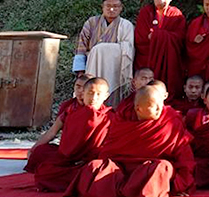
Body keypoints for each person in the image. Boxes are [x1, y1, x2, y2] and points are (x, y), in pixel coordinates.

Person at [66, 84, 195, 197]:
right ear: (138, 108)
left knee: (162, 167)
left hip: (148, 172)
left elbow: (185, 156)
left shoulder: (170, 119)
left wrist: (181, 184)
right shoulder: (122, 120)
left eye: (160, 105)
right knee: (95, 166)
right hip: (119, 169)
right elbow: (108, 152)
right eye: (153, 106)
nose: (159, 110)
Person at [33, 78, 111, 192]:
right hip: (70, 160)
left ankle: (84, 182)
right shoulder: (72, 112)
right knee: (43, 170)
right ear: (83, 94)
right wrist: (34, 148)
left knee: (96, 170)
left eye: (98, 94)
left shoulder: (111, 117)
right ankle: (83, 183)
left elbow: (112, 146)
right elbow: (63, 144)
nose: (94, 98)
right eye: (90, 93)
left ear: (106, 96)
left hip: (92, 161)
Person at [73, 0, 134, 105]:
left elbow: (128, 49)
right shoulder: (91, 22)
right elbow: (81, 46)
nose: (111, 9)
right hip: (91, 65)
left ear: (121, 8)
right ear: (102, 6)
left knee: (111, 99)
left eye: (115, 6)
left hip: (114, 69)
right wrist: (80, 71)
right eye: (108, 6)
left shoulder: (126, 25)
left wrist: (100, 49)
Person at [25, 74, 93, 173]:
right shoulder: (69, 107)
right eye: (78, 87)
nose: (80, 91)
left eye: (84, 88)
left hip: (88, 155)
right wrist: (32, 150)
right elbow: (52, 132)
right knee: (40, 152)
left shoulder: (100, 111)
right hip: (66, 153)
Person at [133, 0, 186, 98]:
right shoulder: (146, 12)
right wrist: (157, 37)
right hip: (148, 56)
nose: (162, 1)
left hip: (168, 59)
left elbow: (180, 38)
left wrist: (157, 36)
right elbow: (140, 37)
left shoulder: (176, 14)